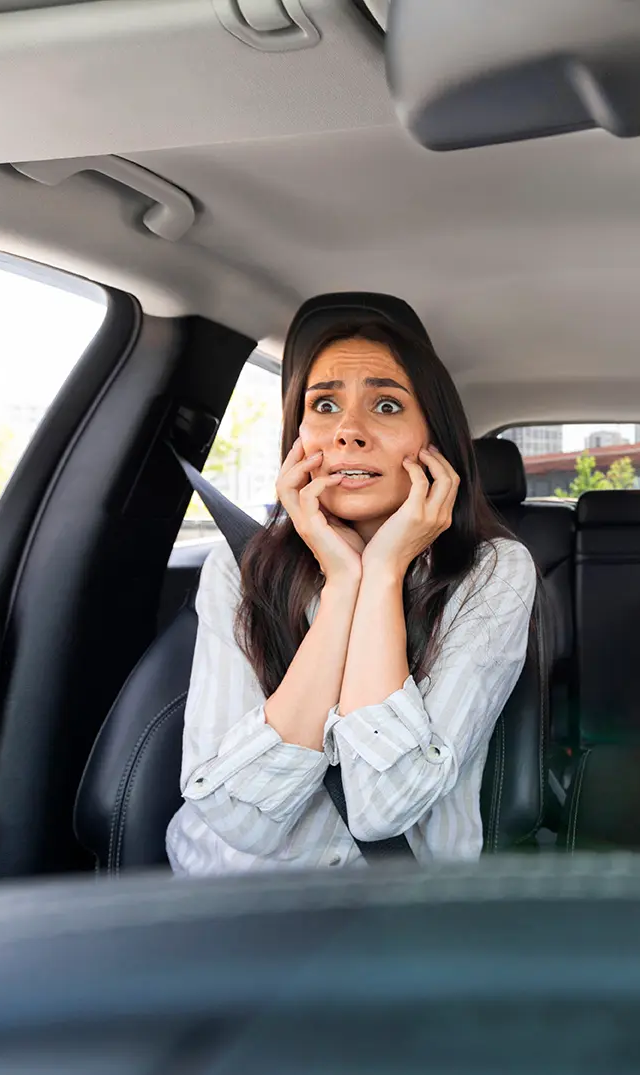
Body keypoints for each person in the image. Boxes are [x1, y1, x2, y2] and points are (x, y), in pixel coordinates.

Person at [166, 314, 535, 874]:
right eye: (325, 406)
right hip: (230, 910)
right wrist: (343, 586)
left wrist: (383, 570)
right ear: (299, 440)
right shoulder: (238, 567)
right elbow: (239, 821)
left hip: (391, 912)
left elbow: (380, 810)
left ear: (436, 442)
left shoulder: (492, 571)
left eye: (387, 406)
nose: (349, 432)